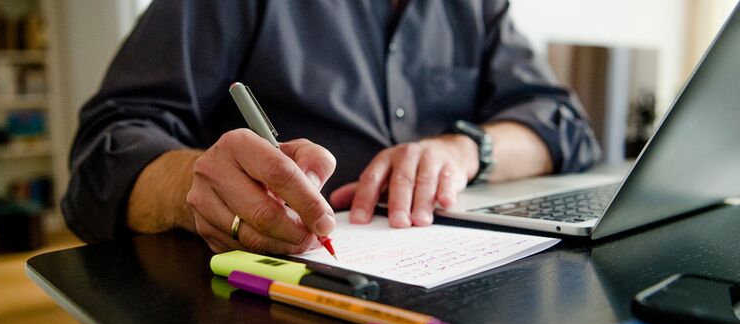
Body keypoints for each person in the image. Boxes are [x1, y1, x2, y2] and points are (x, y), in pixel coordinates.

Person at [62, 0, 600, 254]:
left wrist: (466, 149)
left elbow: (561, 123)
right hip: (271, 318)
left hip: (456, 293)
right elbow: (105, 150)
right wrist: (191, 185)